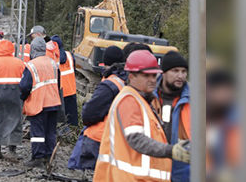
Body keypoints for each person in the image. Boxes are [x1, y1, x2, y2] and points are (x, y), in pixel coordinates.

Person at [93, 50, 189, 182]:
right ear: (132, 76)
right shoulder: (129, 100)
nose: (152, 80)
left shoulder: (143, 101)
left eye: (154, 75)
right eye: (146, 75)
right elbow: (136, 139)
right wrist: (170, 150)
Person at [68, 45, 125, 171]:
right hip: (114, 138)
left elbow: (89, 114)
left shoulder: (110, 84)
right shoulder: (124, 80)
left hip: (98, 138)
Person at [20, 37, 62, 168]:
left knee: (37, 132)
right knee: (50, 131)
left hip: (38, 103)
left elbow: (24, 86)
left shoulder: (31, 65)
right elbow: (58, 83)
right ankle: (49, 156)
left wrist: (23, 98)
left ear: (33, 50)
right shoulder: (53, 63)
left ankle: (38, 157)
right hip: (53, 102)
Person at [154, 51, 189, 181]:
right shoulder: (149, 96)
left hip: (183, 173)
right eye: (175, 71)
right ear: (163, 72)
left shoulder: (196, 99)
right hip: (154, 169)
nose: (180, 76)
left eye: (184, 71)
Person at [50, 35, 78, 126]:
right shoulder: (69, 55)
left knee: (60, 121)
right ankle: (73, 132)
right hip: (71, 90)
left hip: (59, 92)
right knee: (72, 119)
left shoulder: (53, 57)